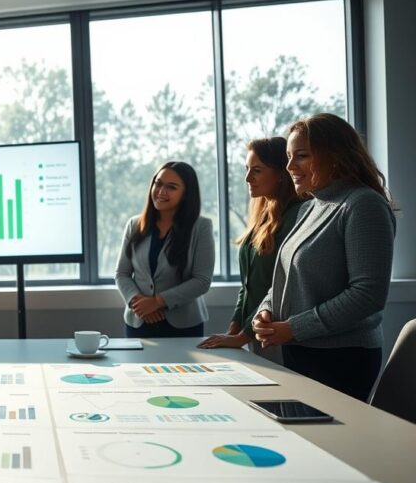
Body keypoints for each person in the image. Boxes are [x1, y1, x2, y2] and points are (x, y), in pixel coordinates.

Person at [253, 113, 396, 401]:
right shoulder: (310, 207)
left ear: (335, 155)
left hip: (341, 359)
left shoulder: (363, 205)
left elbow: (367, 294)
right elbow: (286, 278)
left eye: (301, 156)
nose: (290, 166)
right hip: (301, 352)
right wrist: (265, 311)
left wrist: (292, 328)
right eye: (289, 157)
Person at [200, 138, 302, 361]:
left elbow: (278, 286)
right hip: (254, 333)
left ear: (281, 174)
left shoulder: (296, 216)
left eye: (256, 170)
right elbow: (248, 285)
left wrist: (243, 335)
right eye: (247, 169)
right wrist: (234, 330)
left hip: (274, 333)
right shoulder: (262, 215)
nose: (247, 178)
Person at [115, 161, 214, 338]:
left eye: (172, 187)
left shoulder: (201, 227)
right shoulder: (134, 225)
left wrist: (158, 302)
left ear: (186, 194)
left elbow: (202, 280)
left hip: (184, 324)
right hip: (140, 321)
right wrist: (140, 304)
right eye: (158, 183)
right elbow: (122, 274)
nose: (161, 191)